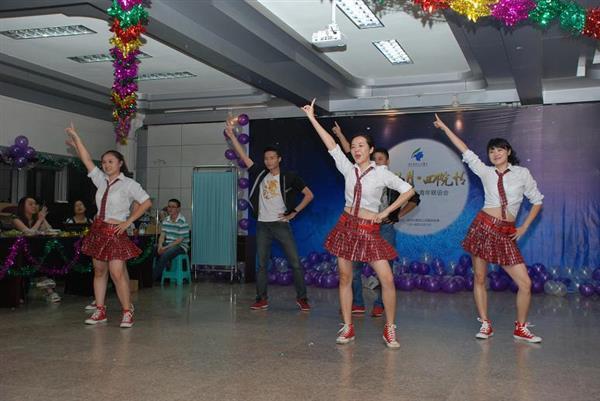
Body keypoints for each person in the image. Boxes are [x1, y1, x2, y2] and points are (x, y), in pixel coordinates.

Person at [302, 100, 415, 348]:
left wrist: (385, 212)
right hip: (346, 226)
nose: (356, 149)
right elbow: (331, 145)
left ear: (370, 149)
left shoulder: (381, 172)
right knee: (345, 277)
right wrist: (312, 118)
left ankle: (390, 328)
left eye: (361, 145)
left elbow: (408, 191)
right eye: (353, 146)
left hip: (369, 229)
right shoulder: (348, 168)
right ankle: (347, 326)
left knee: (386, 278)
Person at [433, 114, 543, 343]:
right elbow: (465, 150)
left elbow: (537, 201)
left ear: (508, 152)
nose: (495, 153)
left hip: (506, 232)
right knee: (480, 277)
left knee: (525, 283)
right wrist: (445, 128)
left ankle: (521, 328)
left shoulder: (522, 174)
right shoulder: (485, 172)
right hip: (483, 228)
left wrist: (524, 226)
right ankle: (485, 324)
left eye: (500, 149)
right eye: (492, 151)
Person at [66, 122, 151, 328]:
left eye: (110, 161)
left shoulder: (129, 184)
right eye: (104, 162)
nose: (106, 165)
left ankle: (127, 311)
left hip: (115, 231)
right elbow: (86, 160)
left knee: (117, 272)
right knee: (99, 271)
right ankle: (100, 310)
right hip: (98, 230)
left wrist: (128, 221)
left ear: (120, 163)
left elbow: (146, 202)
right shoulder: (100, 180)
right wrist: (77, 138)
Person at [224, 119, 314, 311]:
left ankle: (302, 298)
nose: (269, 161)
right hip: (263, 225)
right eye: (266, 158)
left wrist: (294, 212)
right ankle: (261, 298)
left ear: (279, 159)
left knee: (295, 263)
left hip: (281, 225)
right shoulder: (259, 173)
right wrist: (232, 136)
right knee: (262, 265)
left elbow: (309, 195)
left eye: (272, 158)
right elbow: (243, 155)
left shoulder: (289, 177)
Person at [333, 121, 421, 316]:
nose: (378, 162)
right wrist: (334, 132)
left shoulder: (385, 175)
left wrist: (390, 214)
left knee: (386, 273)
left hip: (380, 228)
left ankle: (382, 309)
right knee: (351, 271)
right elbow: (342, 150)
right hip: (353, 226)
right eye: (376, 159)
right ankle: (355, 308)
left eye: (381, 159)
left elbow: (412, 195)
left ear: (385, 161)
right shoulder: (354, 171)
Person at [12, 197, 61, 303]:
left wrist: (43, 219)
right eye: (30, 204)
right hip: (19, 254)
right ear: (22, 206)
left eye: (35, 204)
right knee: (37, 259)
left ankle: (49, 290)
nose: (34, 206)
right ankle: (48, 289)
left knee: (47, 254)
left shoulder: (37, 218)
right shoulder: (16, 219)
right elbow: (28, 233)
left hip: (35, 252)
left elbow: (50, 230)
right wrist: (39, 220)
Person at [153, 198, 190, 281]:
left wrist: (165, 248)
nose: (170, 209)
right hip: (168, 244)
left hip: (180, 246)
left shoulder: (182, 222)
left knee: (166, 253)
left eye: (173, 207)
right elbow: (162, 236)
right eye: (169, 206)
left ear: (178, 209)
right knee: (152, 249)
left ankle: (153, 278)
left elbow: (179, 241)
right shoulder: (166, 220)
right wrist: (160, 246)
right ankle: (144, 276)